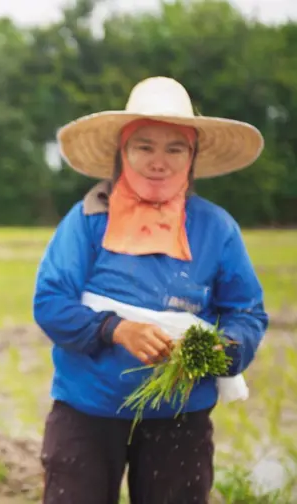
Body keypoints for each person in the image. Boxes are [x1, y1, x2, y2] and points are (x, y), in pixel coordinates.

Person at [33, 76, 268, 504]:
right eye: (144, 146)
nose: (158, 161)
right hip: (87, 410)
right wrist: (116, 329)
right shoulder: (88, 219)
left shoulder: (216, 228)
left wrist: (228, 347)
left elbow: (247, 312)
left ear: (192, 156)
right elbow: (50, 302)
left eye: (174, 148)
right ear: (122, 152)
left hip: (180, 416)